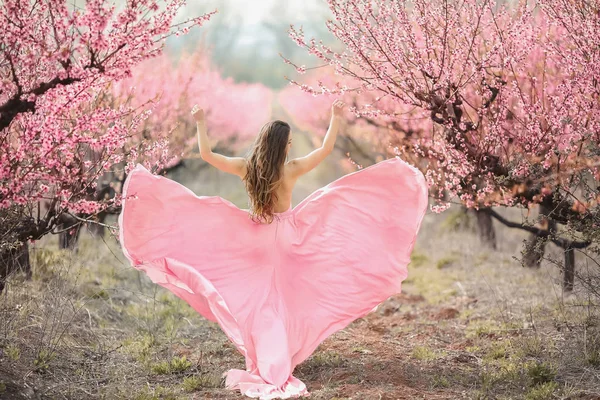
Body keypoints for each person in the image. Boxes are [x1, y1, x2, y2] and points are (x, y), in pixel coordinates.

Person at [118, 100, 429, 399]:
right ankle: (281, 355)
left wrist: (200, 122)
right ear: (282, 145)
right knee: (292, 299)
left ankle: (269, 353)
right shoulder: (291, 169)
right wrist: (335, 117)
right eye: (290, 142)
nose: (292, 146)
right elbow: (325, 150)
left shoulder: (246, 167)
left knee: (259, 302)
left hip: (255, 240)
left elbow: (207, 154)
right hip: (289, 239)